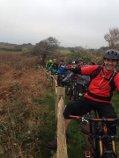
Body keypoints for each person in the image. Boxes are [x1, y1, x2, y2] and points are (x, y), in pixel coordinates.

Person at [47, 49, 119, 153]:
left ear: (116, 63)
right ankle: (60, 138)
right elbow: (81, 70)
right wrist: (70, 67)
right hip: (88, 99)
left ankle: (109, 143)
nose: (110, 63)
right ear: (104, 61)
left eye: (113, 61)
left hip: (104, 103)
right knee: (70, 108)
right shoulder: (96, 69)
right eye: (108, 60)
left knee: (112, 120)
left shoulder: (116, 76)